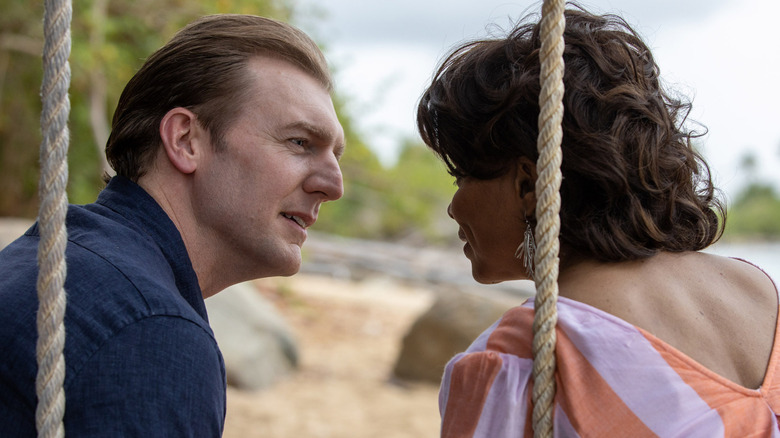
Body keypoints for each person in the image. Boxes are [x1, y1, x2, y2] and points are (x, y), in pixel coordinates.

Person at [416, 5, 779, 437]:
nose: (453, 207)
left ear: (530, 185)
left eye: (461, 176)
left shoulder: (522, 360)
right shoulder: (760, 292)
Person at [0, 14, 344, 436]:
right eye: (300, 143)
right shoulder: (149, 334)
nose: (333, 185)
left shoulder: (51, 260)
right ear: (185, 141)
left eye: (335, 156)